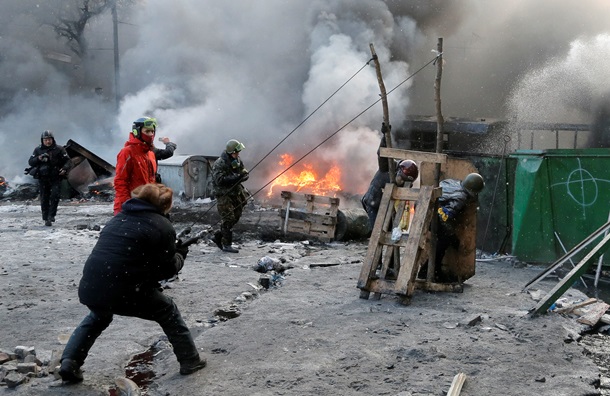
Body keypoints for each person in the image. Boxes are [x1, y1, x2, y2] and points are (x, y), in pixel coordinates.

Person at [58, 183, 206, 384]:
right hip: (125, 289)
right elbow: (167, 270)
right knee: (168, 311)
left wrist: (172, 251)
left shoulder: (119, 218)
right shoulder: (162, 225)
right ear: (164, 204)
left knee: (98, 316)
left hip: (92, 287)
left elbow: (132, 255)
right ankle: (190, 361)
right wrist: (180, 255)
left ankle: (69, 362)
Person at [361, 124, 419, 229]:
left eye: (404, 181)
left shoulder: (406, 184)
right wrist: (385, 136)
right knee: (377, 231)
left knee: (389, 232)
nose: (400, 181)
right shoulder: (387, 166)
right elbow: (382, 153)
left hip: (389, 207)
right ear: (399, 170)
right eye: (401, 178)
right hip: (373, 203)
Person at [434, 172, 485, 281]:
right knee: (444, 242)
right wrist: (452, 236)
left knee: (443, 241)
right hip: (434, 215)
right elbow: (444, 216)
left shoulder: (453, 183)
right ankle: (432, 271)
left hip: (429, 209)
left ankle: (432, 270)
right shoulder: (460, 198)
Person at [113, 117, 159, 215]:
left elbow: (151, 180)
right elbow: (120, 181)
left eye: (152, 131)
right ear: (137, 132)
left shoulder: (150, 153)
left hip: (147, 205)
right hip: (130, 206)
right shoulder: (127, 152)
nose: (151, 135)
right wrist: (126, 205)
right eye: (147, 131)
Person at [211, 139, 249, 253]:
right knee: (228, 218)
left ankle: (219, 235)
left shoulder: (237, 160)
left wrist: (243, 175)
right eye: (236, 152)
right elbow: (219, 180)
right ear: (230, 152)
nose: (238, 154)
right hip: (224, 194)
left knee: (236, 215)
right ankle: (226, 244)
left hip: (236, 192)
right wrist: (237, 177)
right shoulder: (220, 163)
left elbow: (243, 171)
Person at [27, 130, 72, 226]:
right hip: (43, 177)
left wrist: (64, 168)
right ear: (42, 140)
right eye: (46, 140)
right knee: (44, 198)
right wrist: (39, 158)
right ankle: (45, 218)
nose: (48, 142)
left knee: (55, 196)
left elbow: (68, 161)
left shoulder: (59, 149)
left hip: (56, 176)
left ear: (53, 139)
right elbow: (30, 162)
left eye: (49, 139)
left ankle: (52, 216)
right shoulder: (38, 150)